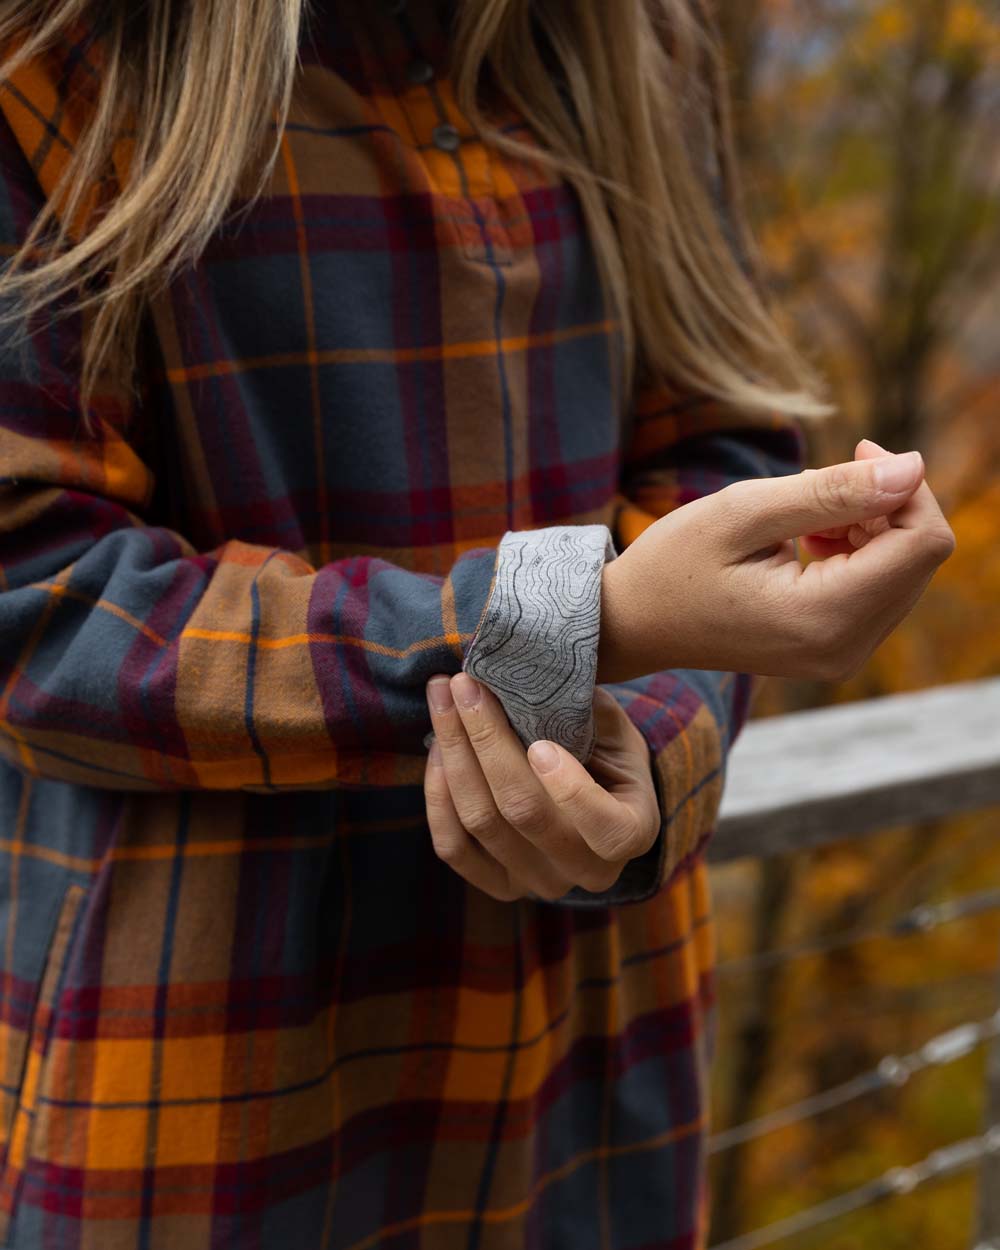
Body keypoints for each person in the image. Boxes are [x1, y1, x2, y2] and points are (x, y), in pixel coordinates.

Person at [0, 1, 955, 1247]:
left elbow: (713, 443)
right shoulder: (60, 65)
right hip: (207, 1077)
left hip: (593, 1069)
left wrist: (648, 750)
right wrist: (576, 625)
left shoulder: (635, 47)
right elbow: (39, 596)